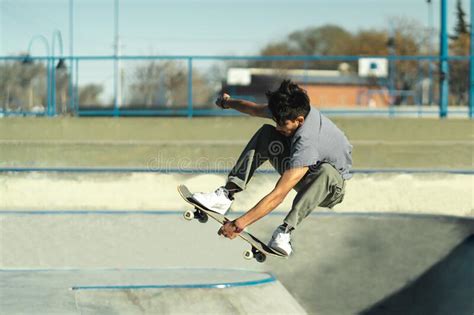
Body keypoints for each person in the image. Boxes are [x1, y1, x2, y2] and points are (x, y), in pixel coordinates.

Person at [192, 80, 352, 256]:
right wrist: (227, 102)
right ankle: (226, 194)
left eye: (283, 125)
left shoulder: (309, 142)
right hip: (305, 168)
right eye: (277, 121)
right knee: (267, 133)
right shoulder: (287, 111)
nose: (279, 127)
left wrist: (239, 224)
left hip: (330, 190)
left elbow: (279, 195)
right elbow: (252, 109)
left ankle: (285, 232)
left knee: (326, 172)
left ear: (299, 121)